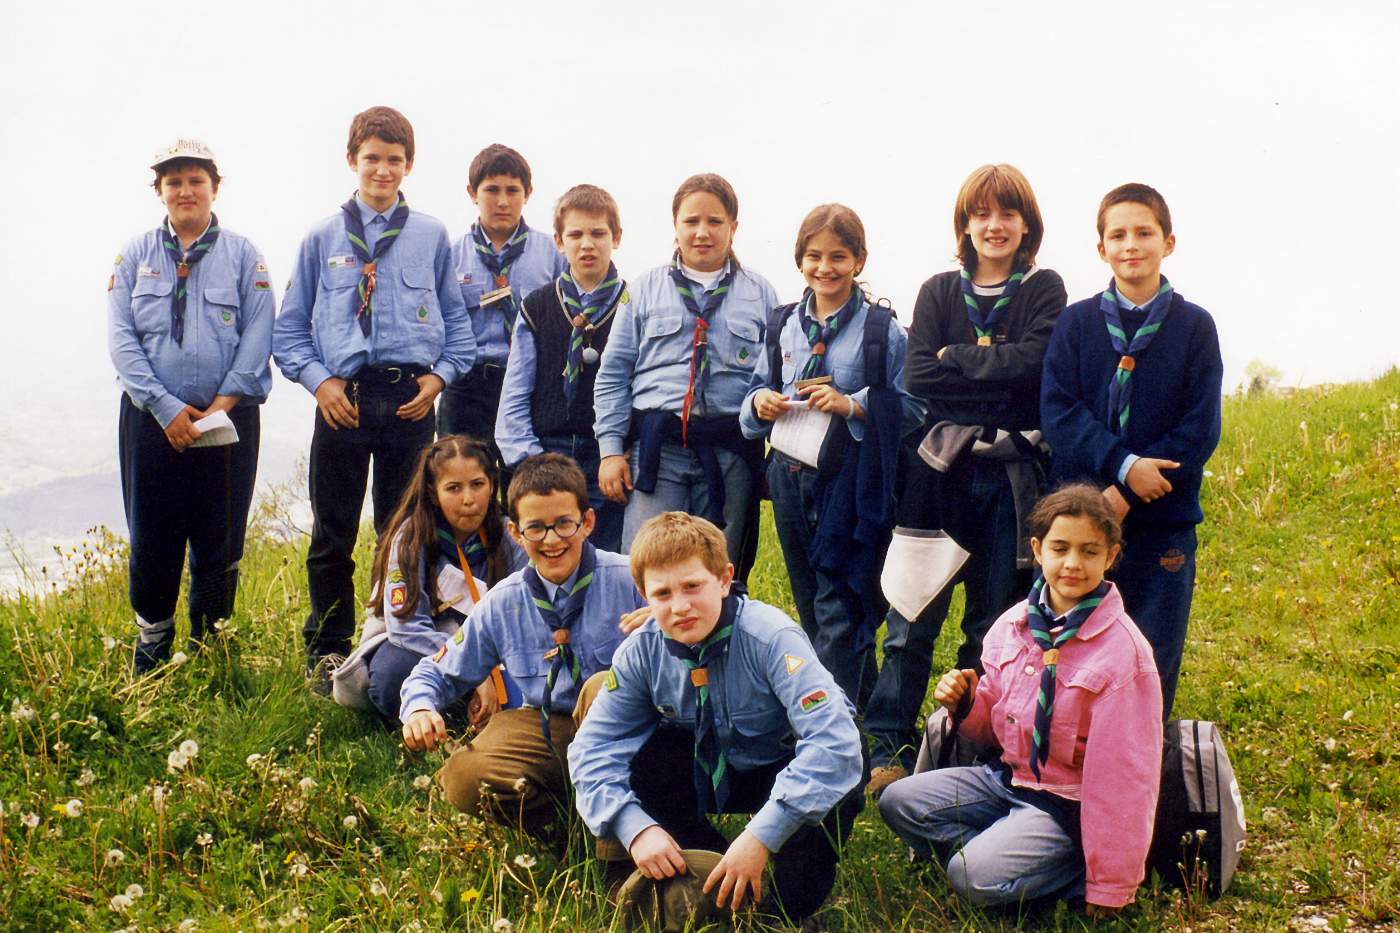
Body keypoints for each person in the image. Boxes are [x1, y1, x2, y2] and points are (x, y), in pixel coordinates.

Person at [866, 164, 1067, 793]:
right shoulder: (936, 292)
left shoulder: (1045, 289)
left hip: (1013, 478)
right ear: (965, 224)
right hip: (941, 471)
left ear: (1026, 224)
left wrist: (961, 357)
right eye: (980, 214)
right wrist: (986, 368)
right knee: (910, 610)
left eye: (1007, 214)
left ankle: (967, 745)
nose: (994, 225)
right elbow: (921, 375)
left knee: (994, 621)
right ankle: (886, 747)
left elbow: (1037, 366)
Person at [878, 484, 1163, 916]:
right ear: (1037, 550)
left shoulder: (1125, 656)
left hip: (1068, 805)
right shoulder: (1014, 624)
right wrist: (966, 705)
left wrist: (1111, 886)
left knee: (969, 876)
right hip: (1007, 780)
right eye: (1060, 547)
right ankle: (1011, 845)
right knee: (899, 802)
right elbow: (997, 726)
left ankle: (1073, 868)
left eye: (1089, 552)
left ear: (1111, 557)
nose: (1072, 563)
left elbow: (1126, 782)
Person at [569, 512, 864, 924]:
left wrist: (762, 836)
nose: (680, 606)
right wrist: (634, 827)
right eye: (663, 593)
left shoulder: (772, 638)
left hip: (779, 768)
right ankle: (707, 858)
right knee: (644, 758)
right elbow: (593, 749)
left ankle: (786, 906)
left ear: (724, 580)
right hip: (705, 769)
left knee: (833, 796)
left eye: (693, 586)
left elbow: (835, 744)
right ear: (643, 595)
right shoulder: (642, 651)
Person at [272, 105, 474, 690]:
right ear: (351, 160)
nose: (382, 170)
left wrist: (438, 379)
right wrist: (320, 383)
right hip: (343, 400)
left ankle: (392, 639)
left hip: (410, 400)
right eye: (371, 159)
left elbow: (455, 325)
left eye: (394, 160)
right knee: (331, 531)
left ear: (408, 164)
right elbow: (290, 332)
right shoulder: (322, 236)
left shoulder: (432, 235)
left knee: (403, 531)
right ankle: (328, 648)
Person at [1040, 182, 1223, 717]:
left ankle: (1141, 773)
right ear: (1101, 249)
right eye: (1117, 235)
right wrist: (1122, 470)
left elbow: (1199, 429)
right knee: (1070, 648)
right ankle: (1063, 772)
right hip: (1080, 521)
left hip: (1162, 520)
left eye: (1144, 232)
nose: (1130, 245)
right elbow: (1059, 412)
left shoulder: (1195, 327)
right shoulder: (1076, 323)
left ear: (1168, 242)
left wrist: (1129, 492)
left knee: (1150, 653)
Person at [398, 453, 644, 836]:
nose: (551, 540)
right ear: (515, 533)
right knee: (463, 778)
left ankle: (621, 833)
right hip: (551, 726)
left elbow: (711, 610)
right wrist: (419, 708)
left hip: (631, 732)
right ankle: (568, 829)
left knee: (602, 687)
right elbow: (437, 670)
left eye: (564, 524)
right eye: (536, 528)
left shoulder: (632, 579)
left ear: (588, 523)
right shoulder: (503, 602)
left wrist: (664, 627)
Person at [740, 204, 921, 708]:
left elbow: (915, 407)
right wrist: (760, 403)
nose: (825, 267)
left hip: (849, 482)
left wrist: (853, 404)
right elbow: (753, 394)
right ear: (799, 260)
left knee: (839, 598)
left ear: (860, 260)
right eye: (814, 256)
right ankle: (852, 703)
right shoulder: (783, 326)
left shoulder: (884, 331)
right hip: (788, 475)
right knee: (810, 601)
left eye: (838, 256)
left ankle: (828, 722)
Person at [109, 138, 274, 673]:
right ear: (159, 191)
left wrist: (221, 404)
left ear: (214, 187)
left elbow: (258, 333)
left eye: (195, 180)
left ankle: (211, 647)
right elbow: (122, 340)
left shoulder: (245, 255)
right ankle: (152, 646)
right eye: (173, 181)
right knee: (152, 536)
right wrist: (165, 408)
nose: (185, 190)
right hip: (151, 422)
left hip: (228, 421)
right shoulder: (134, 256)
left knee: (219, 538)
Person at [594, 173, 777, 579]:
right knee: (644, 568)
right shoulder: (642, 290)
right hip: (658, 454)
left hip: (730, 452)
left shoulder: (760, 294)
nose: (702, 233)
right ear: (675, 225)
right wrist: (610, 451)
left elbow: (773, 377)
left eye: (714, 221)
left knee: (721, 573)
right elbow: (613, 374)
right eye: (691, 221)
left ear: (734, 226)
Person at [496, 184, 627, 551]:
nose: (587, 244)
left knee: (605, 557)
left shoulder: (633, 304)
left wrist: (621, 452)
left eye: (598, 233)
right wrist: (533, 462)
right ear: (558, 240)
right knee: (553, 557)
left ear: (616, 237)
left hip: (606, 457)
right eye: (576, 234)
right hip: (547, 452)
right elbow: (515, 396)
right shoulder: (537, 306)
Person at [358, 435, 527, 719]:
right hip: (426, 645)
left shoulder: (509, 534)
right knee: (391, 679)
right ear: (434, 493)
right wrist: (471, 667)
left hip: (495, 648)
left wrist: (488, 664)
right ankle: (438, 709)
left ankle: (473, 708)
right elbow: (406, 628)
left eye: (477, 484)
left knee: (523, 702)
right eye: (453, 488)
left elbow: (528, 609)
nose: (468, 499)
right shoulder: (411, 537)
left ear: (492, 485)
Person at [438, 144, 566, 462]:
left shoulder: (551, 254)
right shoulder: (451, 256)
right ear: (472, 193)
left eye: (513, 190)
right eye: (492, 190)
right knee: (460, 484)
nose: (503, 201)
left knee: (524, 485)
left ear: (528, 192)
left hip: (528, 386)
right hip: (467, 387)